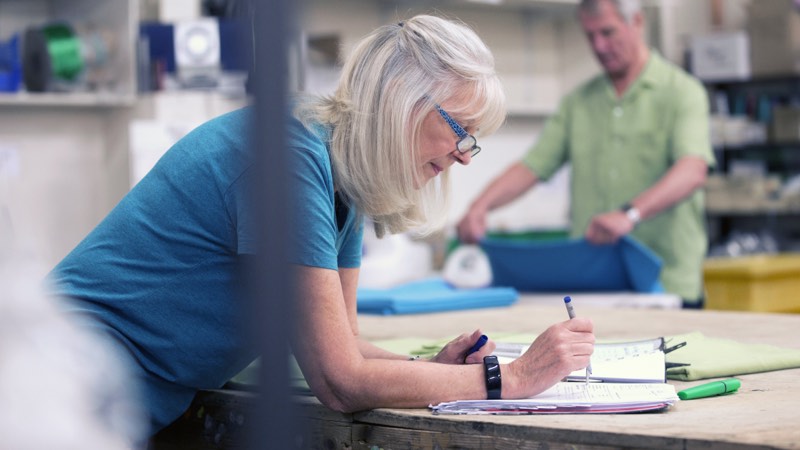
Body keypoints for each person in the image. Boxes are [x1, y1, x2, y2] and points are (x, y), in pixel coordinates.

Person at [48, 15, 594, 435]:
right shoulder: (287, 158)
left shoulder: (344, 172)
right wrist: (511, 379)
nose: (466, 155)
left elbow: (343, 346)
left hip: (111, 404)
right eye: (462, 130)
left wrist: (434, 367)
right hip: (56, 386)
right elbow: (339, 382)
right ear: (402, 101)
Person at [457, 0, 715, 307]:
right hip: (596, 289)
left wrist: (629, 214)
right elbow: (533, 166)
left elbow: (693, 170)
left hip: (668, 285)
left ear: (637, 22)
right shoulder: (577, 103)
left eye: (608, 32)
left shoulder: (683, 92)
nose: (599, 46)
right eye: (590, 36)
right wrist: (480, 206)